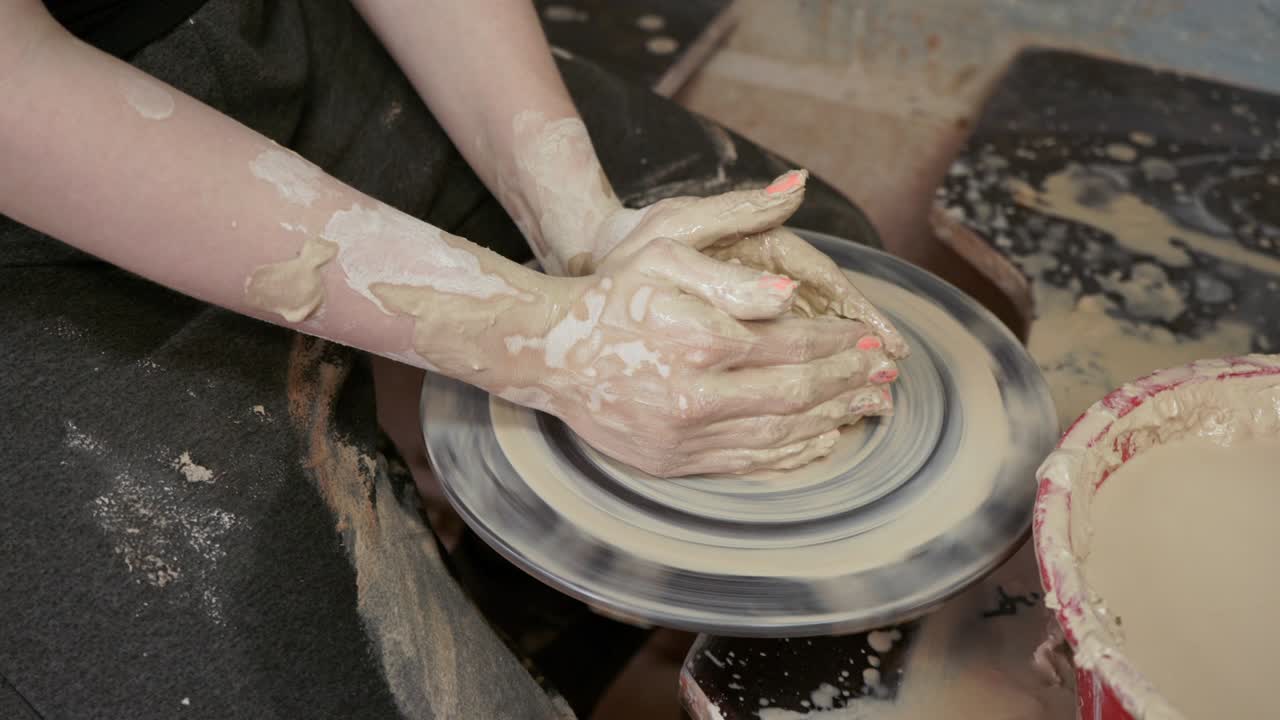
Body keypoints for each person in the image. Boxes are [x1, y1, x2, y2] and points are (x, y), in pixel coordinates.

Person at [0, 1, 906, 718]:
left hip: (262, 23)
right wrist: (541, 341)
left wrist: (582, 222)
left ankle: (536, 618)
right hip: (36, 178)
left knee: (819, 267)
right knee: (290, 663)